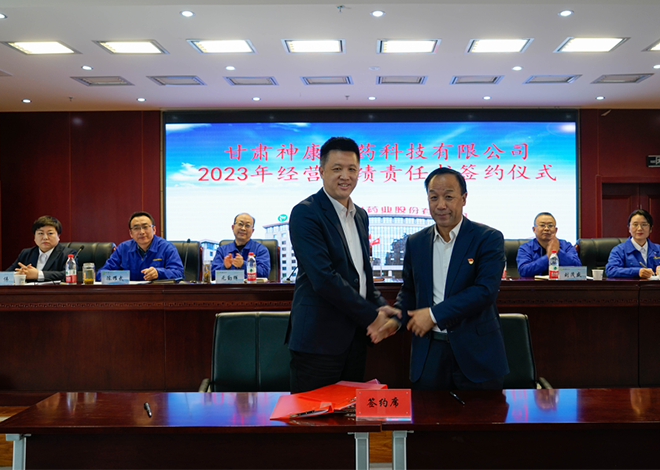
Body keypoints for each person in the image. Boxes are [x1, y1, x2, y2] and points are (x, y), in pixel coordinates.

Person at [285, 137, 397, 394]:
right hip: (317, 342)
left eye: (351, 169)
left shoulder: (360, 215)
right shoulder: (306, 213)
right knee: (313, 416)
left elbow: (361, 277)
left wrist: (382, 307)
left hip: (354, 339)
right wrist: (372, 316)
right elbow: (324, 278)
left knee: (349, 415)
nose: (345, 176)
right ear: (321, 171)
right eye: (337, 168)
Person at [391, 167, 508, 390]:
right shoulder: (416, 242)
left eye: (448, 197)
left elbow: (485, 291)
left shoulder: (488, 238)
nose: (441, 205)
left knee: (481, 413)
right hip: (429, 353)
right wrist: (396, 318)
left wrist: (433, 315)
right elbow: (410, 290)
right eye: (433, 197)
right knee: (428, 413)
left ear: (463, 199)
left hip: (477, 353)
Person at [96, 211, 184, 281]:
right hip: (129, 294)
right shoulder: (123, 248)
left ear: (154, 229)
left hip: (157, 294)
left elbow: (179, 273)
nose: (141, 232)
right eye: (136, 228)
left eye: (145, 227)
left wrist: (159, 273)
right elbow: (101, 274)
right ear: (131, 233)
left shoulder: (167, 247)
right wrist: (120, 277)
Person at [606, 209, 660, 278]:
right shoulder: (619, 250)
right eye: (635, 224)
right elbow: (610, 270)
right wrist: (637, 272)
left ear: (651, 229)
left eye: (644, 224)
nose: (640, 228)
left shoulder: (658, 249)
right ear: (629, 228)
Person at [7, 215, 73, 282]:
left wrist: (38, 275)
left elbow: (69, 274)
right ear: (34, 237)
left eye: (50, 233)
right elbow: (6, 275)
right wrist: (18, 274)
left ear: (58, 236)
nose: (45, 237)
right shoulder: (26, 253)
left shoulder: (68, 254)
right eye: (40, 233)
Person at [516, 212, 581, 277]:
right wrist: (548, 257)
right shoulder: (525, 248)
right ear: (534, 229)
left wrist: (558, 252)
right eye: (542, 225)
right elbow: (523, 271)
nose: (546, 229)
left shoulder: (566, 246)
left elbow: (578, 270)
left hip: (560, 283)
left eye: (550, 226)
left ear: (556, 230)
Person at [211, 213, 270, 279]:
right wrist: (225, 267)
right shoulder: (222, 250)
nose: (243, 228)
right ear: (233, 227)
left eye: (247, 225)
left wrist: (244, 265)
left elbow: (264, 273)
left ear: (252, 231)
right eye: (240, 224)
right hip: (228, 285)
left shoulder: (261, 249)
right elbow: (212, 275)